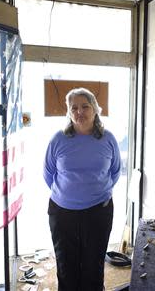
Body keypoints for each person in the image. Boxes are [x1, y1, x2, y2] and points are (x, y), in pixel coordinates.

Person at [43, 87, 121, 291]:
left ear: (95, 109)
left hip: (98, 211)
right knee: (66, 264)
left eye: (85, 106)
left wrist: (96, 193)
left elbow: (115, 171)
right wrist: (70, 195)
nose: (80, 112)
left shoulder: (108, 139)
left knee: (93, 264)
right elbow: (48, 174)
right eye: (74, 107)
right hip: (62, 213)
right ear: (68, 112)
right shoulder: (58, 139)